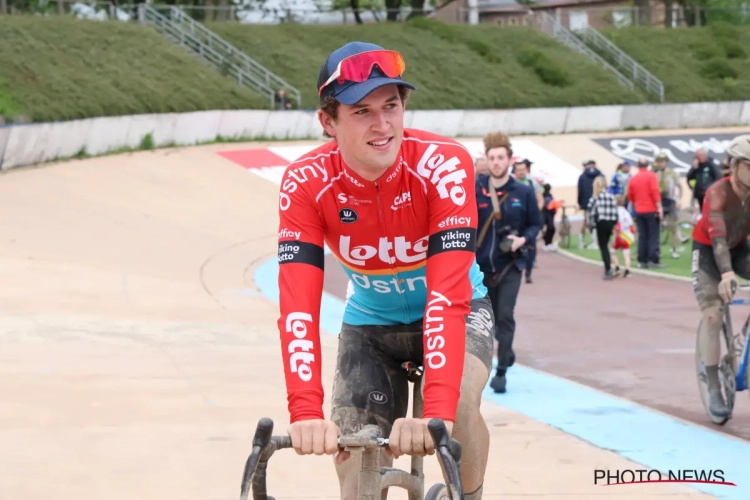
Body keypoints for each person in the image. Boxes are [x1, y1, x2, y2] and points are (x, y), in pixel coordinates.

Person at [275, 41, 493, 500]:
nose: (383, 125)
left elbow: (446, 297)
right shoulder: (305, 182)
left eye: (391, 106)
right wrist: (304, 410)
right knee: (355, 455)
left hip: (457, 308)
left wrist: (435, 411)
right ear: (328, 122)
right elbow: (298, 307)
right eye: (361, 111)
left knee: (454, 405)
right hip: (371, 325)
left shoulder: (444, 164)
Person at [475, 132, 541, 394]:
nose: (496, 162)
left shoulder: (523, 192)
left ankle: (500, 372)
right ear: (487, 160)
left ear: (509, 160)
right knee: (486, 322)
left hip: (510, 265)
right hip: (480, 268)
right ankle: (504, 350)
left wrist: (522, 239)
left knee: (505, 316)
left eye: (501, 158)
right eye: (492, 158)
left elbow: (536, 224)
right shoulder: (475, 189)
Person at [691, 134, 750, 420]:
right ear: (736, 165)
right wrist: (726, 273)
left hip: (740, 247)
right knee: (713, 315)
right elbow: (717, 240)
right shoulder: (716, 193)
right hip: (709, 252)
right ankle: (713, 383)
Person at [627, 158, 664, 269]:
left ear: (638, 165)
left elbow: (630, 195)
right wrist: (659, 208)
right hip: (651, 209)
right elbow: (655, 192)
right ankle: (653, 259)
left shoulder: (633, 178)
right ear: (647, 165)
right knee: (653, 235)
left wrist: (635, 206)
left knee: (642, 236)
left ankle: (642, 259)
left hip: (639, 210)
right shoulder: (651, 176)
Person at [512, 158, 543, 283]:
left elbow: (540, 199)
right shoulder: (511, 183)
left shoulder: (531, 182)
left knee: (530, 245)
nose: (521, 172)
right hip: (515, 220)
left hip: (528, 220)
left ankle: (528, 272)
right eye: (518, 170)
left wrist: (535, 212)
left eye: (523, 170)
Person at [653, 152, 685, 259]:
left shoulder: (672, 173)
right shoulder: (654, 174)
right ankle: (658, 249)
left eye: (663, 162)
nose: (661, 164)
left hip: (670, 201)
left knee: (674, 227)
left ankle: (674, 250)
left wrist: (679, 199)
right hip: (658, 201)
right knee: (656, 227)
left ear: (666, 162)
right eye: (659, 162)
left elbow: (680, 186)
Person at [587, 175, 619, 279]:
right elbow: (615, 211)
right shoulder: (611, 196)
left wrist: (591, 226)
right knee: (608, 245)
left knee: (603, 247)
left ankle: (608, 268)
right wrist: (614, 223)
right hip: (610, 222)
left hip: (600, 223)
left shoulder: (595, 198)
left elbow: (590, 212)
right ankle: (613, 266)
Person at [577, 160, 604, 250]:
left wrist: (580, 203)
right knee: (600, 222)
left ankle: (581, 242)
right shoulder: (601, 175)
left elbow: (580, 191)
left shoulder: (582, 176)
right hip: (601, 202)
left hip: (587, 203)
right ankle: (598, 241)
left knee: (586, 222)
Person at [610, 194, 635, 278]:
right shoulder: (626, 212)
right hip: (627, 235)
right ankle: (627, 270)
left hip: (619, 235)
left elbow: (616, 226)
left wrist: (614, 234)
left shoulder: (615, 212)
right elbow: (631, 226)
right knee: (626, 253)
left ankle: (617, 267)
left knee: (613, 251)